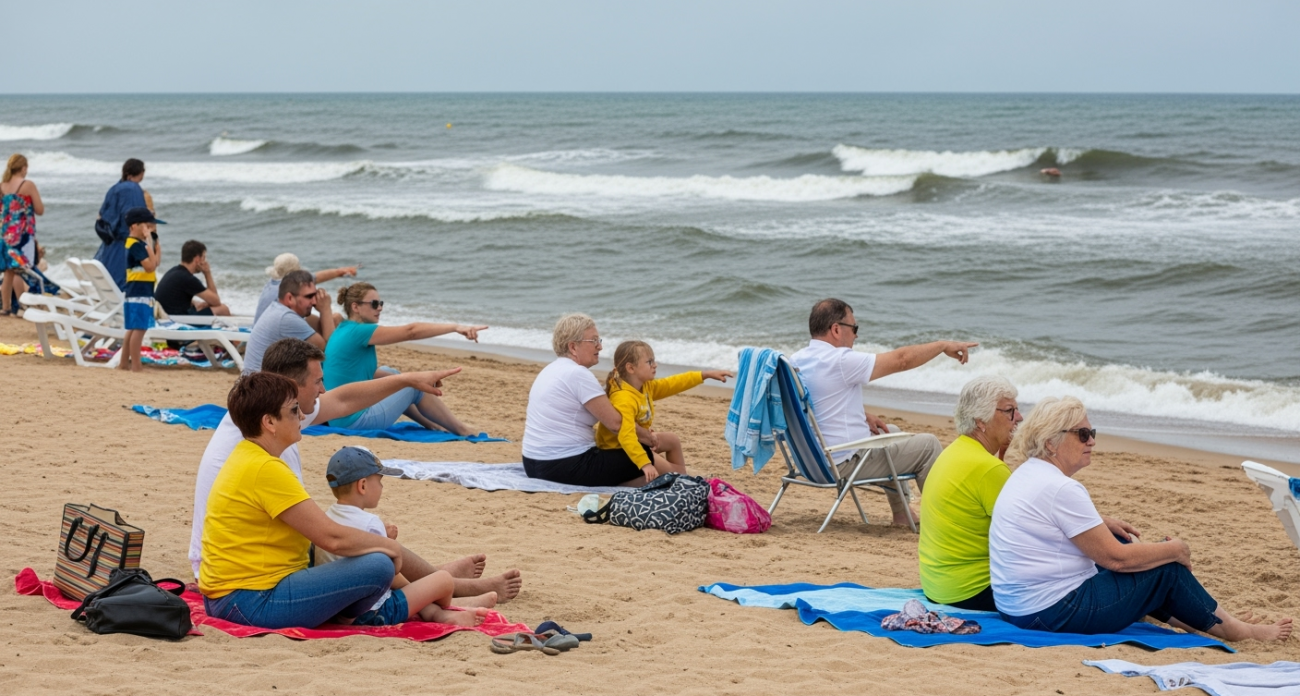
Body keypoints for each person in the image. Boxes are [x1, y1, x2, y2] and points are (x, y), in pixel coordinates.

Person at [189, 338, 522, 601]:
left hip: (255, 555)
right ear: (289, 390)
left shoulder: (265, 420)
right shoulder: (260, 442)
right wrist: (375, 539)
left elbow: (343, 401)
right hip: (244, 572)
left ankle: (437, 578)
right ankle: (445, 588)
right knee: (367, 545)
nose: (322, 390)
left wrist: (406, 380)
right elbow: (329, 537)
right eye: (317, 381)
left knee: (365, 532)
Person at [989, 396, 1292, 642]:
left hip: (1018, 606)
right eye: (1083, 434)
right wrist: (1176, 550)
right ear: (1051, 442)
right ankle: (1236, 631)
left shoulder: (1029, 473)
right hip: (1051, 612)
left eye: (1091, 433)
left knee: (1128, 545)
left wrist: (1101, 522)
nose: (1092, 441)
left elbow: (1049, 522)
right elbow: (1117, 560)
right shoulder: (1062, 488)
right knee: (1165, 569)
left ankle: (1200, 618)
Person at [200, 371, 401, 629]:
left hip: (232, 595)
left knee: (365, 544)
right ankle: (358, 615)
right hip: (250, 600)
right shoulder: (265, 469)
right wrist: (390, 547)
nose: (302, 416)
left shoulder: (247, 455)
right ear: (269, 422)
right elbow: (331, 538)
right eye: (294, 410)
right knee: (379, 566)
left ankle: (441, 581)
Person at [789, 298, 978, 525]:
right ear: (836, 329)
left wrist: (861, 416)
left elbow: (816, 403)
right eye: (854, 328)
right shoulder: (839, 360)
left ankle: (901, 514)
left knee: (889, 432)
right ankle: (945, 523)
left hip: (811, 461)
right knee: (929, 445)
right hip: (840, 464)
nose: (856, 335)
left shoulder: (798, 360)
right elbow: (902, 360)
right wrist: (941, 346)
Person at [319, 446, 494, 626]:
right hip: (374, 612)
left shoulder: (327, 518)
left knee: (422, 587)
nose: (381, 486)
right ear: (362, 485)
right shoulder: (370, 523)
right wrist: (412, 585)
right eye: (379, 481)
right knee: (443, 580)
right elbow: (388, 573)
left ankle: (437, 612)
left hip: (337, 609)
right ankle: (450, 606)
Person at [918, 376, 1023, 611]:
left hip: (938, 587)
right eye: (1009, 411)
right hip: (970, 592)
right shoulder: (988, 469)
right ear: (981, 421)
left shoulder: (955, 452)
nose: (1019, 417)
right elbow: (1032, 531)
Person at [324, 282, 485, 436]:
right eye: (374, 304)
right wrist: (455, 327)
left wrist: (400, 379)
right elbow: (411, 331)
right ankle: (462, 429)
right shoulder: (360, 332)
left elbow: (367, 373)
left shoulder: (344, 328)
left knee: (391, 372)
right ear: (355, 307)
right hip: (354, 421)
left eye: (381, 303)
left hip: (339, 415)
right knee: (413, 384)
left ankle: (431, 423)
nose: (379, 308)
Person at [522, 313, 650, 487]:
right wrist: (650, 438)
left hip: (533, 463)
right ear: (573, 347)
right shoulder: (578, 374)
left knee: (632, 455)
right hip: (562, 465)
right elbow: (616, 424)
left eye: (599, 340)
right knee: (645, 454)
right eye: (594, 341)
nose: (600, 347)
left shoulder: (551, 369)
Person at [594, 340, 733, 482]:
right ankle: (680, 479)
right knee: (674, 475)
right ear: (630, 368)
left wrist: (705, 375)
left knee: (672, 440)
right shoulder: (623, 398)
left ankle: (681, 477)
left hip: (637, 442)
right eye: (649, 362)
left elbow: (672, 383)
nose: (655, 365)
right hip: (619, 451)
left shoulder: (645, 386)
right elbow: (626, 437)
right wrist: (645, 464)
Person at [243, 270, 334, 373]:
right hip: (262, 385)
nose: (314, 301)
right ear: (290, 298)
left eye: (315, 295)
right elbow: (329, 350)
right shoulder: (286, 319)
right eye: (309, 297)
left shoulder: (277, 308)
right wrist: (326, 309)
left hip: (255, 380)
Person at [118, 208, 164, 372]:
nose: (149, 229)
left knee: (133, 328)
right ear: (134, 226)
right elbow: (151, 267)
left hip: (138, 291)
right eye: (146, 226)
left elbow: (156, 262)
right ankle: (136, 366)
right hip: (139, 291)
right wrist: (150, 246)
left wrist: (154, 244)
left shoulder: (137, 244)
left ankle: (124, 363)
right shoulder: (136, 246)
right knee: (139, 328)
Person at [255, 252, 356, 324]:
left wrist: (339, 272)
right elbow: (323, 343)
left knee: (319, 319)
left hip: (259, 330)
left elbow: (316, 277)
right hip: (277, 336)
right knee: (336, 318)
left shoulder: (273, 283)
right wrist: (325, 308)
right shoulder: (287, 290)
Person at [94, 159, 147, 290]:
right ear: (140, 172)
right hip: (126, 245)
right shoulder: (133, 189)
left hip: (110, 246)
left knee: (111, 281)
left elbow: (102, 215)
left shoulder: (114, 189)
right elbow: (138, 215)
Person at [1, 154, 43, 316]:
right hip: (23, 235)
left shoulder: (2, 186)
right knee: (23, 269)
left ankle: (7, 307)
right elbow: (39, 210)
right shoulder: (28, 185)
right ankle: (23, 304)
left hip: (6, 235)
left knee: (9, 272)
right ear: (23, 168)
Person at [155, 240, 231, 318]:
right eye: (204, 258)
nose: (205, 262)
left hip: (166, 314)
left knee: (200, 305)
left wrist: (195, 303)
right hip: (176, 318)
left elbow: (176, 297)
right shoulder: (187, 278)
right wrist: (207, 273)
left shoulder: (174, 271)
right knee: (223, 309)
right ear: (197, 259)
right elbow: (216, 302)